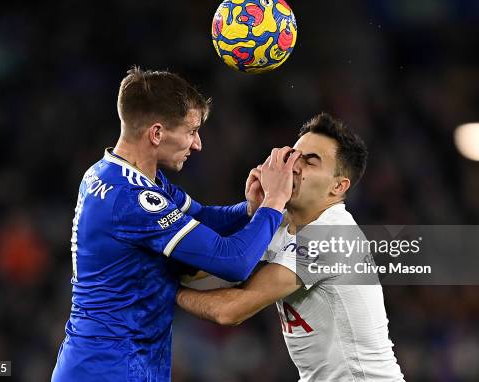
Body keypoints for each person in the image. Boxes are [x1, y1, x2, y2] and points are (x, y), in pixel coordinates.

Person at [51, 67, 300, 382]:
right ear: (156, 134)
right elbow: (234, 261)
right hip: (109, 367)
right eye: (191, 130)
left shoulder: (121, 176)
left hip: (120, 362)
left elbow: (201, 218)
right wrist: (275, 203)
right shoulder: (130, 199)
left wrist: (250, 208)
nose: (197, 144)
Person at [176, 113, 405, 381]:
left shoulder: (332, 234)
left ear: (338, 186)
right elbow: (203, 266)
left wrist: (165, 291)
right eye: (294, 156)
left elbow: (231, 310)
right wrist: (252, 211)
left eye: (310, 162)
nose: (294, 166)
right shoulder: (281, 222)